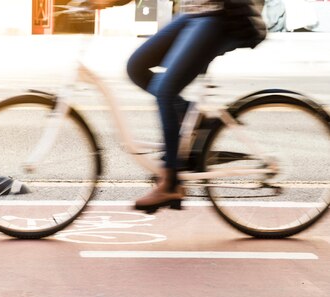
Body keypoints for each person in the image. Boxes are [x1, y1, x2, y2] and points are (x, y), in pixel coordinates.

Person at [90, 0, 267, 212]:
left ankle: (170, 181)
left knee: (164, 90)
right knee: (136, 67)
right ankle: (195, 120)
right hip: (194, 14)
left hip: (220, 17)